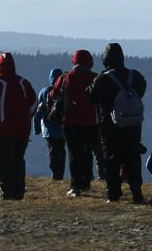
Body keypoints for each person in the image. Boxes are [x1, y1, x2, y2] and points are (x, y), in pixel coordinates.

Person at [86, 43, 147, 203]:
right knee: (132, 158)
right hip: (133, 126)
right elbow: (141, 91)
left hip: (110, 126)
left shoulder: (104, 79)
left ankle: (113, 193)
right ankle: (136, 191)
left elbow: (91, 98)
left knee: (112, 159)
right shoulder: (135, 76)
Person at [0, 51, 37, 201]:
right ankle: (18, 192)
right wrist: (27, 118)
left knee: (3, 163)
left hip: (2, 130)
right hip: (22, 131)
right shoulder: (23, 82)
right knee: (18, 161)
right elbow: (34, 103)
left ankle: (6, 193)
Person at [50, 49, 102, 196]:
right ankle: (86, 183)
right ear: (90, 62)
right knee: (87, 153)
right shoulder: (95, 78)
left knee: (74, 153)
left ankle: (75, 186)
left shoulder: (65, 77)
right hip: (91, 122)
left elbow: (53, 94)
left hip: (70, 122)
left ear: (74, 61)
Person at [34, 67, 66, 181]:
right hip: (63, 128)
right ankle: (60, 174)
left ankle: (55, 174)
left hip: (49, 128)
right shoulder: (65, 90)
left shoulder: (44, 91)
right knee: (61, 152)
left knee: (52, 151)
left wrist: (36, 128)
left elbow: (38, 112)